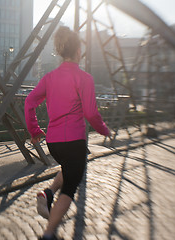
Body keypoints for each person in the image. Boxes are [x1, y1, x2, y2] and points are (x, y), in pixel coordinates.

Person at [24, 26, 110, 240]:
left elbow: (29, 102)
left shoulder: (49, 78)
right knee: (71, 186)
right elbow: (91, 113)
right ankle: (49, 232)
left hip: (54, 142)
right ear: (79, 51)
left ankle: (48, 193)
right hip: (74, 140)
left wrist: (34, 130)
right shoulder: (85, 78)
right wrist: (104, 130)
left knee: (69, 169)